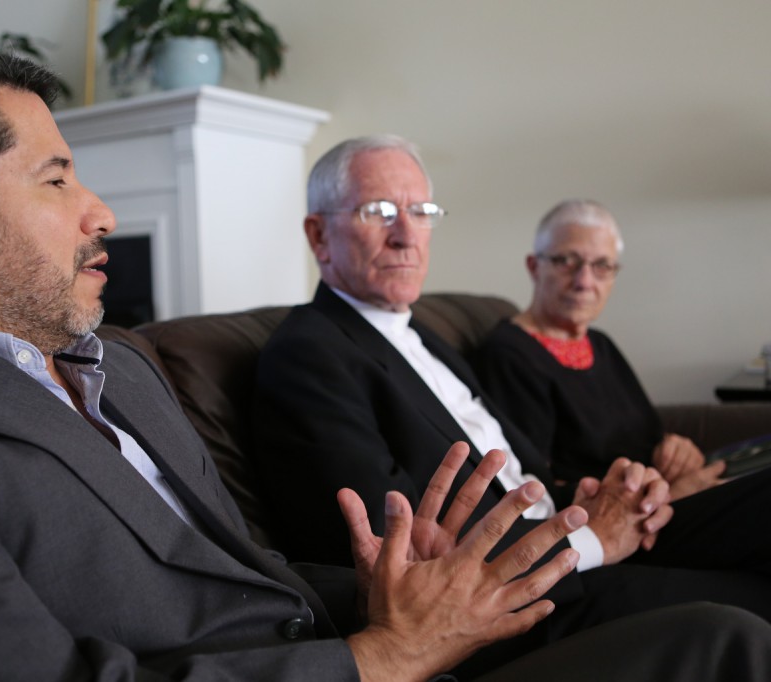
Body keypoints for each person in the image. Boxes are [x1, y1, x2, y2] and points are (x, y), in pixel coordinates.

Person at [0, 47, 762, 682]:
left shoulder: (125, 372)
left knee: (721, 631)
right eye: (57, 177)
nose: (100, 211)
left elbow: (256, 580)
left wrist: (408, 597)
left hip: (380, 644)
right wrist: (380, 654)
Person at [251, 133, 771, 675]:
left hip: (563, 532)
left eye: (421, 211)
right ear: (319, 235)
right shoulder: (308, 355)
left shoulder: (425, 337)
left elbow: (522, 473)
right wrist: (591, 539)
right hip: (520, 594)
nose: (407, 235)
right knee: (749, 601)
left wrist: (595, 499)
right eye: (378, 211)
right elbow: (401, 553)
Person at [473, 199, 725, 498]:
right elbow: (537, 487)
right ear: (534, 266)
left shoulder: (599, 344)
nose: (584, 281)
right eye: (567, 261)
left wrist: (674, 447)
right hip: (620, 519)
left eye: (602, 265)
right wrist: (671, 494)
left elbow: (646, 434)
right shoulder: (507, 356)